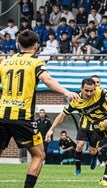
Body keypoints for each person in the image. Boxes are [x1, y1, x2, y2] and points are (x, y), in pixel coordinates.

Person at [0, 30, 79, 188]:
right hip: (22, 118)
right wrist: (66, 92)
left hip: (1, 114)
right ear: (36, 46)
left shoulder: (5, 62)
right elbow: (48, 80)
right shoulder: (37, 62)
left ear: (18, 44)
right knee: (38, 155)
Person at [45, 78, 107, 186]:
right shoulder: (76, 101)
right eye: (86, 91)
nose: (89, 93)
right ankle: (90, 159)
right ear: (81, 88)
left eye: (92, 90)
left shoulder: (99, 91)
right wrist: (51, 129)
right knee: (91, 149)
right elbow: (62, 115)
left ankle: (105, 178)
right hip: (96, 126)